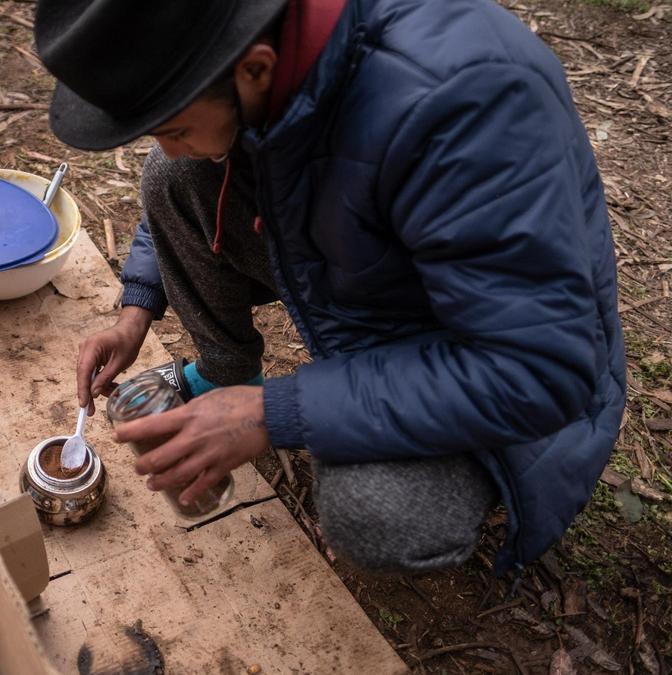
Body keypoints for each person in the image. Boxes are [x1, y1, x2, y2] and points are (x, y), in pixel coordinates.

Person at [34, 0, 625, 575]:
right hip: (381, 284)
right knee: (177, 173)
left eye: (174, 126)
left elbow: (542, 370)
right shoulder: (270, 50)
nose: (165, 142)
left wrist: (275, 414)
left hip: (502, 361)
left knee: (375, 512)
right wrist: (137, 309)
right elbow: (212, 185)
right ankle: (226, 374)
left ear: (257, 68)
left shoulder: (466, 107)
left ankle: (455, 488)